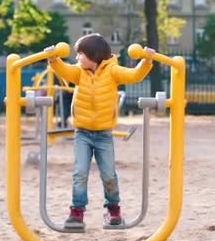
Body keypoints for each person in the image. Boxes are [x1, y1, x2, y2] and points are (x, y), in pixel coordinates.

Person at [45, 34, 155, 229]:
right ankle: (77, 212)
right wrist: (53, 59)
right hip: (83, 133)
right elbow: (64, 69)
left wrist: (146, 61)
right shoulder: (79, 73)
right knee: (80, 172)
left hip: (104, 134)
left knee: (109, 174)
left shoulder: (112, 71)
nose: (77, 58)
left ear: (93, 55)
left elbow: (134, 75)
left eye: (81, 54)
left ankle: (113, 210)